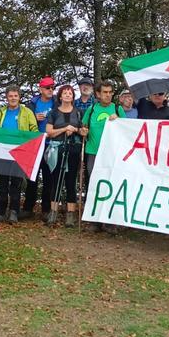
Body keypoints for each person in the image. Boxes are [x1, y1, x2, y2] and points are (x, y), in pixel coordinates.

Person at [81, 81, 125, 232]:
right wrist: (83, 131)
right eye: (104, 92)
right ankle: (94, 221)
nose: (108, 95)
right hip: (93, 152)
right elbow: (83, 127)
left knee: (111, 185)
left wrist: (118, 120)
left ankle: (110, 221)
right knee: (94, 185)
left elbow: (128, 130)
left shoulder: (118, 109)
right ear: (98, 94)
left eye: (110, 92)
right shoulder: (92, 109)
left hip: (112, 155)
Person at [0, 86, 38, 223]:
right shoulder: (1, 112)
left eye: (15, 96)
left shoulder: (27, 112)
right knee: (2, 183)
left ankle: (14, 211)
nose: (13, 98)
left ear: (19, 97)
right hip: (3, 151)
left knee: (16, 183)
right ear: (7, 97)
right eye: (10, 96)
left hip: (20, 151)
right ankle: (0, 212)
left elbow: (34, 129)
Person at [45, 85, 83, 227]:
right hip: (57, 149)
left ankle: (70, 215)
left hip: (73, 149)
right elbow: (49, 132)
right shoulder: (54, 113)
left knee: (71, 181)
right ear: (60, 96)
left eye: (70, 93)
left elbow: (84, 130)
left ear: (73, 97)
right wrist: (64, 129)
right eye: (65, 93)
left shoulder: (79, 112)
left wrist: (78, 130)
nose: (68, 95)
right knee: (55, 180)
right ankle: (53, 212)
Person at [22, 77, 56, 220]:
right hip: (35, 144)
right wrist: (34, 117)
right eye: (47, 88)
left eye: (52, 87)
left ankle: (46, 209)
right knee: (32, 176)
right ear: (40, 89)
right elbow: (24, 121)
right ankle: (28, 208)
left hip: (51, 144)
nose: (50, 90)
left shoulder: (57, 102)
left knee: (49, 177)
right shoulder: (31, 104)